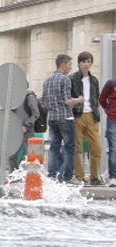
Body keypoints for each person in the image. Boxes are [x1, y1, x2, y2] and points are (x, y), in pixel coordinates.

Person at [41, 54, 84, 185]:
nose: (71, 67)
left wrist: (56, 104)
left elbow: (43, 103)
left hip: (52, 118)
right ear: (63, 65)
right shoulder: (65, 79)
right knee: (70, 148)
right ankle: (67, 177)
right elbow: (67, 100)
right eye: (70, 65)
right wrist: (79, 100)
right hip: (66, 117)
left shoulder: (47, 81)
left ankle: (52, 176)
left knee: (54, 148)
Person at [69, 52, 105, 185]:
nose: (86, 64)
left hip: (91, 115)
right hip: (77, 115)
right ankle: (80, 177)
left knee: (97, 147)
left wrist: (96, 112)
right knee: (77, 148)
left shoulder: (94, 80)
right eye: (84, 61)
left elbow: (96, 97)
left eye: (88, 61)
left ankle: (94, 177)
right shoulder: (72, 78)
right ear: (78, 63)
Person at [11, 85, 40, 172]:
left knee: (31, 154)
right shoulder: (15, 99)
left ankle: (33, 175)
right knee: (12, 155)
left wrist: (27, 125)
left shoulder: (29, 97)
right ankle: (14, 175)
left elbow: (36, 114)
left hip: (27, 130)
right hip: (16, 129)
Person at [99, 75, 116, 187]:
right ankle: (113, 177)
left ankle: (108, 174)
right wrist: (108, 109)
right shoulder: (111, 83)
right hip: (112, 119)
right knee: (113, 148)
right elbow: (102, 99)